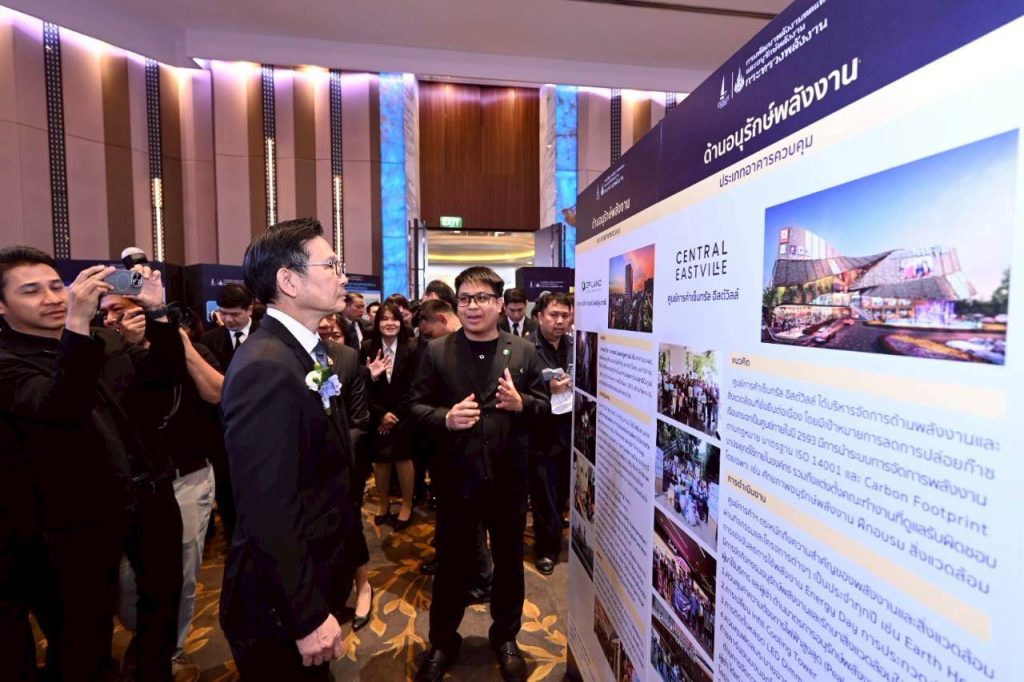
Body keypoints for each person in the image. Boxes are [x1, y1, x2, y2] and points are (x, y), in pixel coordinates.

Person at [0, 247, 184, 681]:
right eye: (31, 291)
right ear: (2, 306)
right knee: (84, 630)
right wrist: (77, 326)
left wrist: (157, 313)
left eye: (55, 286)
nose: (51, 298)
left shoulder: (104, 340)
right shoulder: (9, 362)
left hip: (148, 489)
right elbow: (62, 406)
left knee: (163, 597)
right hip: (77, 518)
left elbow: (163, 377)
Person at [219, 217, 355, 678]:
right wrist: (305, 614)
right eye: (331, 265)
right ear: (289, 281)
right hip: (276, 605)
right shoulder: (266, 365)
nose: (342, 276)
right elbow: (266, 506)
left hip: (315, 569)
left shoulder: (303, 351)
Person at [410, 266, 549, 682]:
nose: (473, 306)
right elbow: (415, 407)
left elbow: (545, 407)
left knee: (508, 562)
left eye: (482, 298)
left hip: (508, 478)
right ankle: (442, 640)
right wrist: (446, 418)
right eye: (465, 299)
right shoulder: (437, 351)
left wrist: (522, 404)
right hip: (457, 478)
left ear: (499, 303)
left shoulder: (522, 350)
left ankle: (505, 637)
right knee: (451, 563)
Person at [320, 315, 375, 632]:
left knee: (351, 523)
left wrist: (334, 453)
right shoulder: (282, 352)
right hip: (298, 468)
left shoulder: (346, 357)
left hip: (344, 463)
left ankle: (363, 586)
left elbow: (359, 420)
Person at [359, 301, 418, 530]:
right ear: (377, 323)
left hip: (404, 415)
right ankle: (384, 504)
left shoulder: (411, 348)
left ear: (401, 322)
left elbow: (415, 386)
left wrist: (395, 414)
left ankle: (406, 504)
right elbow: (361, 384)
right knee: (380, 461)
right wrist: (381, 414)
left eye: (394, 318)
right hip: (377, 415)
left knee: (404, 459)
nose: (390, 323)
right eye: (384, 319)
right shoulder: (367, 347)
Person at [529, 292, 573, 576]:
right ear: (539, 317)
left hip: (570, 428)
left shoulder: (575, 345)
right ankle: (546, 548)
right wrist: (548, 388)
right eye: (553, 315)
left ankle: (556, 531)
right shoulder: (526, 348)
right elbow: (517, 390)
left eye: (565, 316)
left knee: (563, 490)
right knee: (544, 493)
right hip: (540, 431)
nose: (559, 321)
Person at [199, 283, 257, 372]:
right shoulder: (208, 340)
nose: (228, 319)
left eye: (235, 314)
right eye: (223, 313)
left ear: (249, 310)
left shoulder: (267, 336)